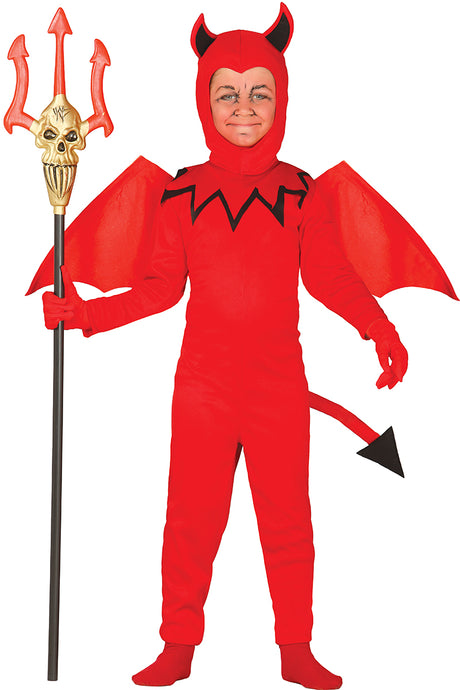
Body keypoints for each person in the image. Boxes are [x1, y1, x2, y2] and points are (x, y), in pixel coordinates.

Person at [43, 5, 408, 688]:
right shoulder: (181, 192)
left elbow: (330, 276)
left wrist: (379, 328)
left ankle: (295, 650)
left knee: (288, 524)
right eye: (228, 93)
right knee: (189, 524)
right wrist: (84, 314)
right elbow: (159, 289)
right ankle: (177, 647)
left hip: (278, 389)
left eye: (259, 92)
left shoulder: (301, 191)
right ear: (205, 101)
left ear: (282, 98)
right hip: (203, 390)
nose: (243, 107)